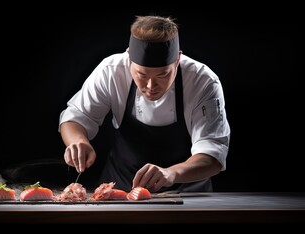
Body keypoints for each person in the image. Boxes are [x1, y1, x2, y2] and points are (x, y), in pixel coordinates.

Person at [58, 15, 230, 192]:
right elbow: (76, 117)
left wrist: (171, 173)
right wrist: (78, 141)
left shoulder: (203, 81)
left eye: (162, 75)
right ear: (129, 58)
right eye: (141, 74)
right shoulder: (111, 71)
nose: (151, 86)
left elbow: (213, 155)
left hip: (189, 195)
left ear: (178, 60)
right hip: (120, 190)